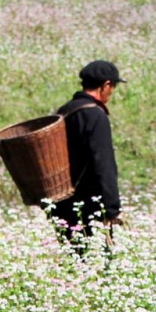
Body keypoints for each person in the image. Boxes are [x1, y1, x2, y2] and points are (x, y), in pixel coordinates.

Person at [50, 60, 124, 257]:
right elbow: (103, 163)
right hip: (89, 204)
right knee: (96, 262)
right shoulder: (96, 115)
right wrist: (112, 208)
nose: (112, 92)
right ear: (106, 85)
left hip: (61, 202)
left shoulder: (63, 111)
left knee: (73, 260)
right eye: (113, 86)